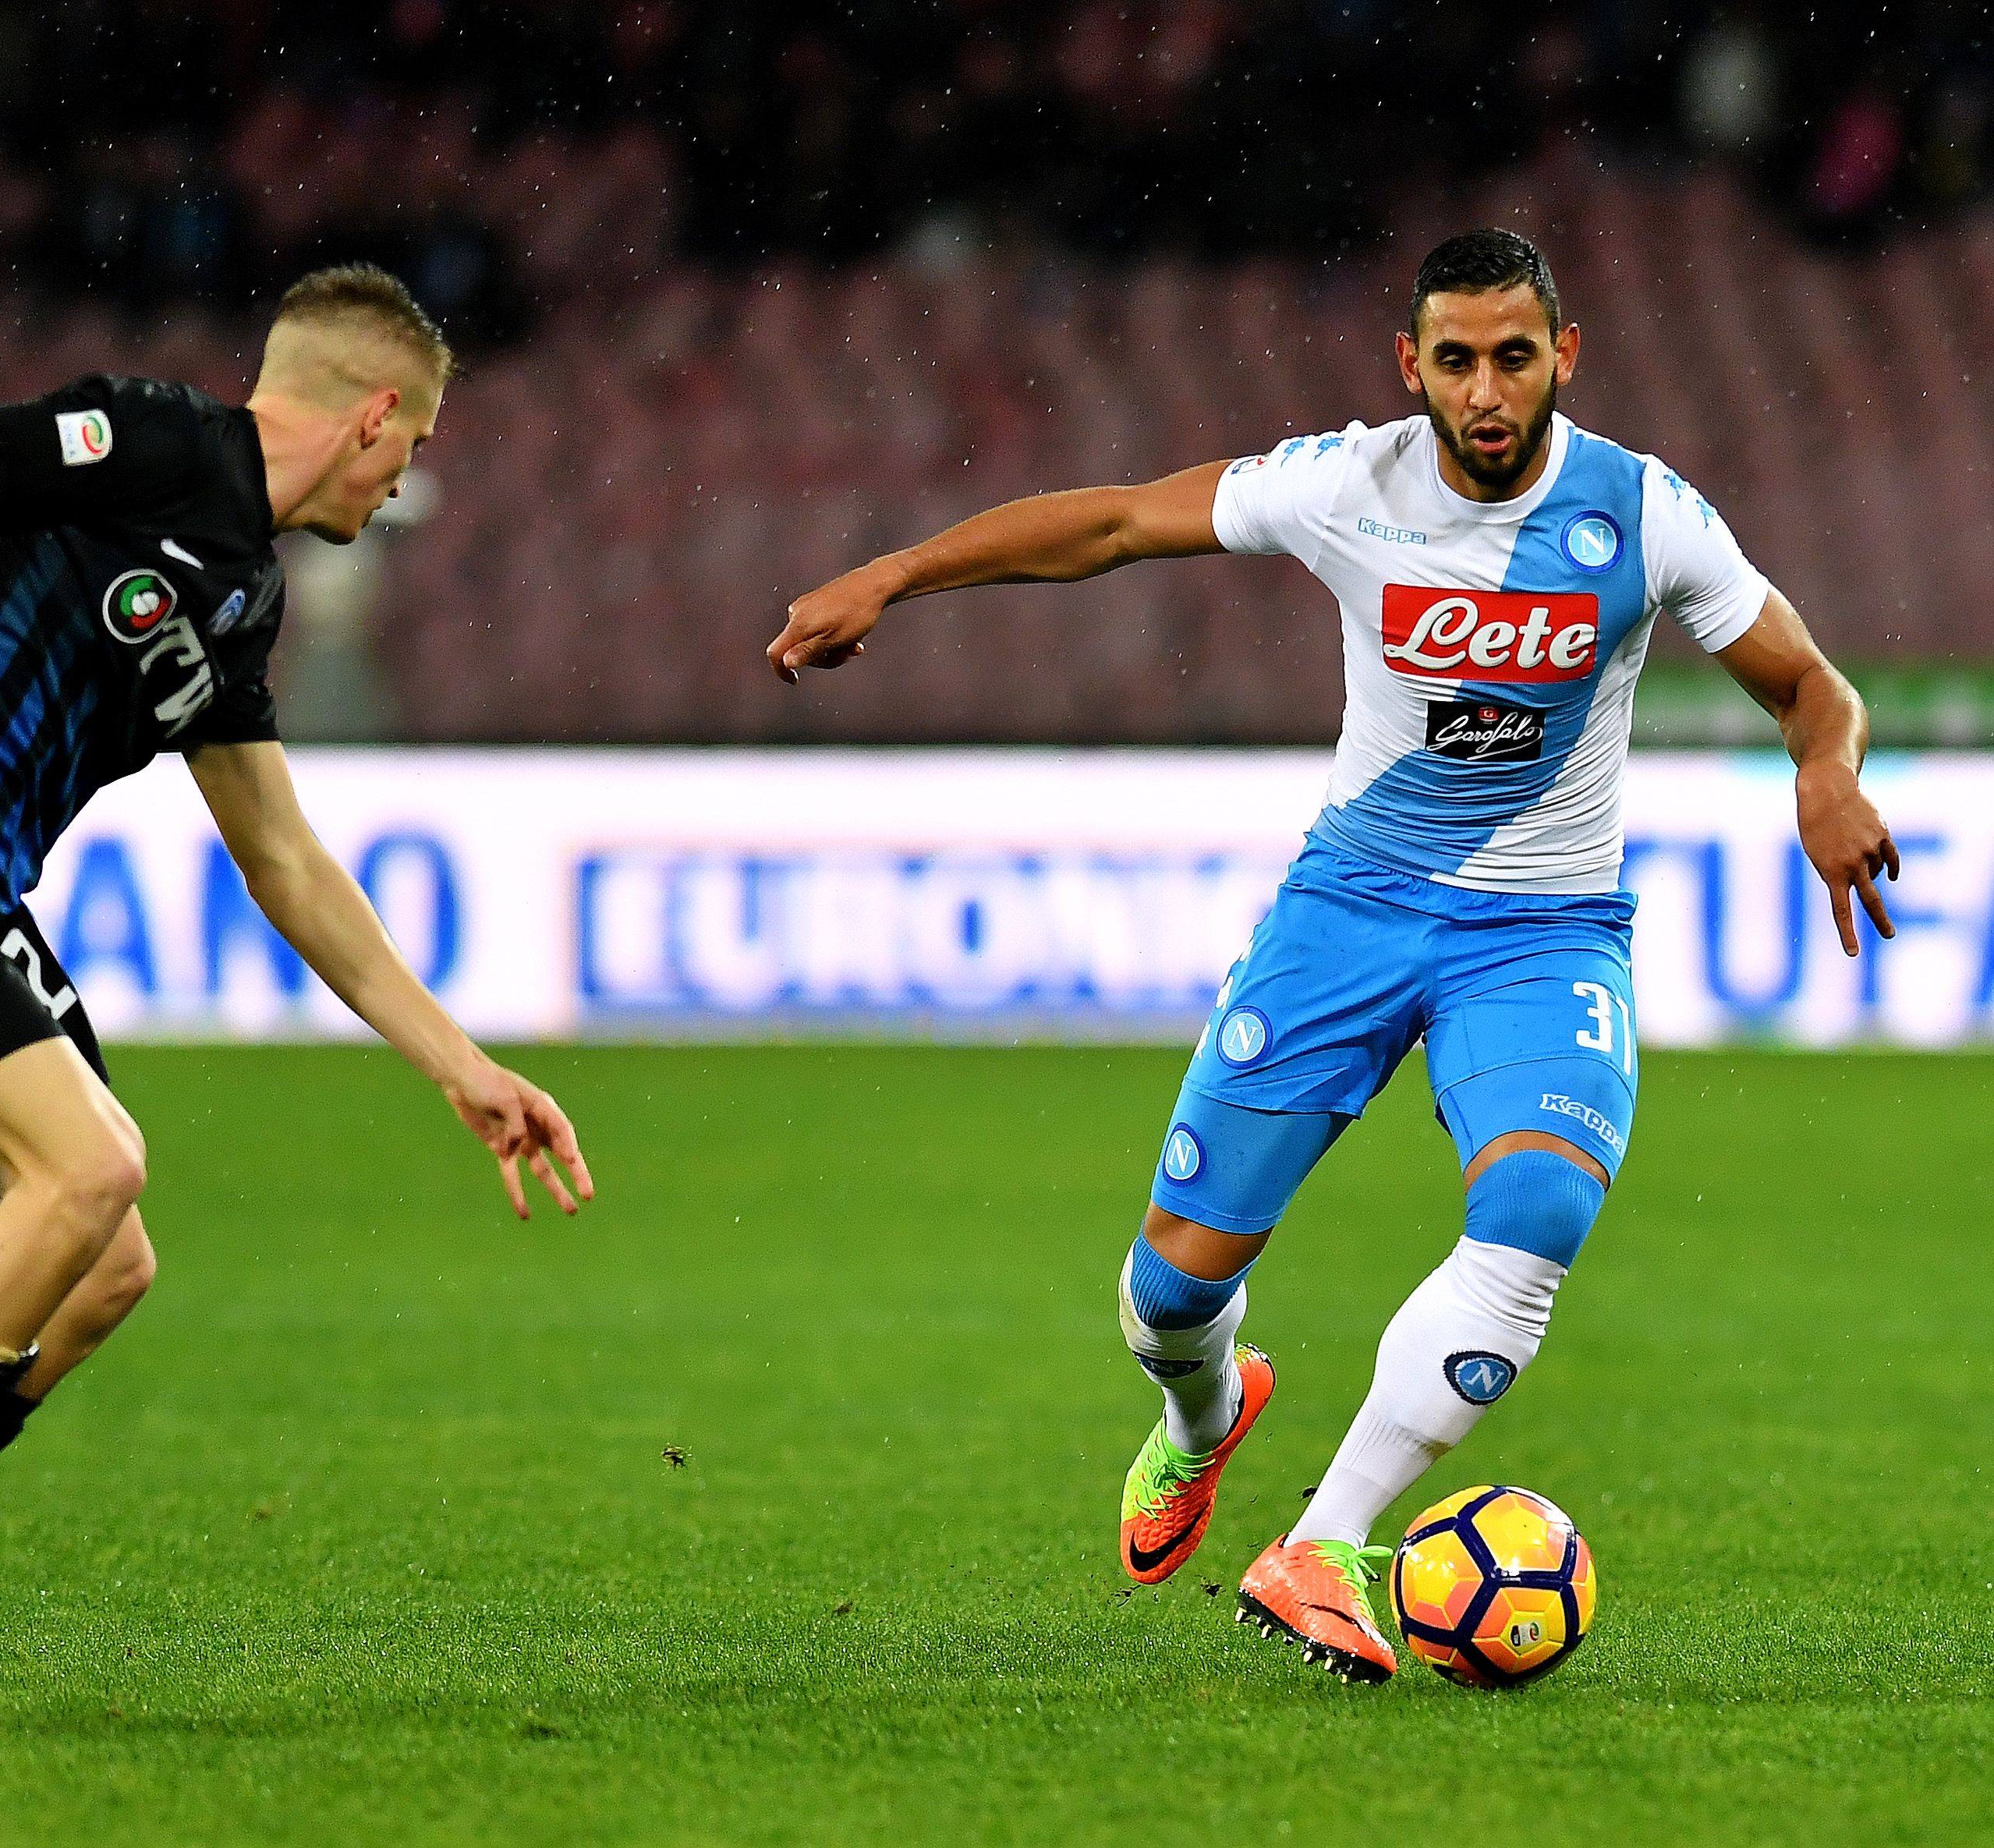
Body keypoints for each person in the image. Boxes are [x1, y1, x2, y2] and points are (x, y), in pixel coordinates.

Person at [766, 229, 1897, 1683]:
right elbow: (1113, 525)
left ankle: (1327, 1545)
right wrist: (896, 575)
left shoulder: (1644, 513)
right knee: (1170, 1291)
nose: (1484, 392)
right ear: (1408, 367)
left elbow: (1807, 683)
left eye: (1511, 356)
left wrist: (1826, 771)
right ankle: (1205, 1415)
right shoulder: (1345, 486)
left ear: (1565, 356)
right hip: (1346, 918)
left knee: (1540, 1205)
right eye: (1453, 360)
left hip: (1542, 933)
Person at [0, 264, 594, 1728]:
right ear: (375, 414)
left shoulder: (239, 592)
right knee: (88, 1163)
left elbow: (280, 857)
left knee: (104, 1266)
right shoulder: (152, 441)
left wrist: (454, 1062)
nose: (413, 474)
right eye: (418, 444)